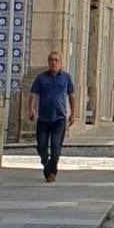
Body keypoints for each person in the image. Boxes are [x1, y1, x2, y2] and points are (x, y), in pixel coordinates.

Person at [28, 52, 75, 184]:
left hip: (59, 118)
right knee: (41, 146)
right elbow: (33, 94)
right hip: (43, 118)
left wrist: (73, 114)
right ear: (48, 62)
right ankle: (47, 165)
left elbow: (71, 95)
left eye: (56, 60)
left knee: (56, 147)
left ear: (61, 62)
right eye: (51, 60)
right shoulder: (41, 78)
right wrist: (31, 108)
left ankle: (50, 172)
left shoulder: (66, 78)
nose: (53, 63)